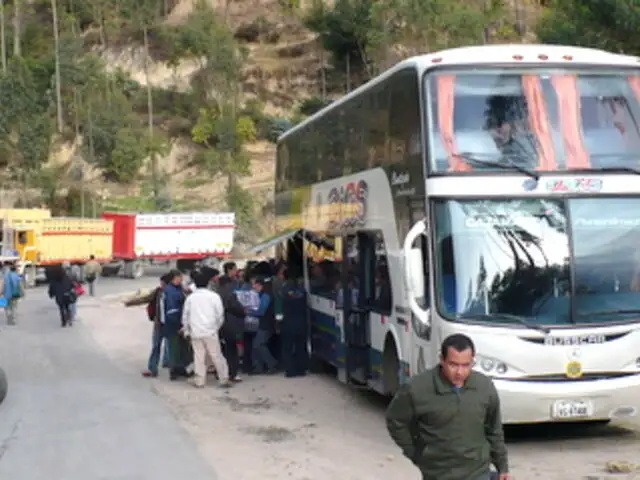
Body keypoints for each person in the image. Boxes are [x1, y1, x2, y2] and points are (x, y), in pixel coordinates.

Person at [385, 334, 510, 480]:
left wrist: (502, 466)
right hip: (438, 473)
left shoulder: (484, 387)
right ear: (442, 360)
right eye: (453, 364)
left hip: (477, 471)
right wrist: (416, 453)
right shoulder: (417, 389)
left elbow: (494, 430)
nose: (459, 372)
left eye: (466, 365)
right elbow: (396, 421)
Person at [181, 272, 231, 388]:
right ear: (208, 283)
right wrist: (216, 328)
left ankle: (200, 381)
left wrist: (187, 330)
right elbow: (220, 315)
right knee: (216, 355)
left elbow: (185, 316)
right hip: (211, 331)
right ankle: (224, 378)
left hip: (196, 332)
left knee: (199, 356)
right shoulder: (214, 296)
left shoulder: (191, 298)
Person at [217, 275, 247, 382]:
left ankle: (222, 372)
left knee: (222, 350)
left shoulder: (216, 293)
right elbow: (237, 308)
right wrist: (244, 312)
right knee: (232, 350)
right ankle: (232, 373)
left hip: (219, 325)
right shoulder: (230, 294)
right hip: (231, 325)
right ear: (228, 283)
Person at [279, 267, 308, 378]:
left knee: (287, 347)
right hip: (301, 322)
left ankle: (290, 371)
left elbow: (281, 307)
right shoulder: (302, 290)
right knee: (300, 346)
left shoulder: (284, 290)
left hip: (288, 322)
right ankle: (301, 369)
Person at [142, 273, 172, 378]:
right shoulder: (158, 292)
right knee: (156, 346)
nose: (161, 285)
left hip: (169, 325)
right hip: (159, 324)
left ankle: (168, 364)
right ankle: (153, 368)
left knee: (169, 346)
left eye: (163, 283)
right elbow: (146, 299)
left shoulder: (174, 293)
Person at [246, 276, 278, 374]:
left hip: (265, 324)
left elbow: (261, 311)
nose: (253, 286)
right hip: (265, 323)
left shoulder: (266, 296)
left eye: (254, 284)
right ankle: (259, 367)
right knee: (257, 345)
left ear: (259, 285)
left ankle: (271, 363)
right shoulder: (264, 294)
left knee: (258, 344)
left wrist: (248, 312)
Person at [163, 269, 190, 381]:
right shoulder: (170, 291)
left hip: (180, 322)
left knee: (182, 348)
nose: (182, 279)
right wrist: (178, 326)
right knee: (174, 348)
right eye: (180, 277)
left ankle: (181, 369)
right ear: (175, 278)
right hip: (173, 325)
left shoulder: (178, 289)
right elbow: (171, 311)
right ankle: (173, 371)